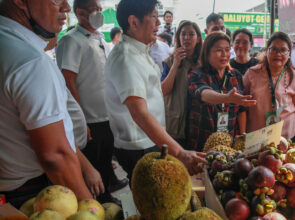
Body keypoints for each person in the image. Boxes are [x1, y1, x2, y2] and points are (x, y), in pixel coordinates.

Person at [0, 0, 92, 208]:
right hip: (34, 195)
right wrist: (89, 206)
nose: (66, 8)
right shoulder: (28, 61)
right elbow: (54, 156)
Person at [105, 0, 206, 183]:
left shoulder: (140, 52)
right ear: (134, 22)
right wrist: (179, 152)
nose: (159, 23)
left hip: (150, 139)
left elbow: (153, 93)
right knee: (151, 197)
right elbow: (139, 113)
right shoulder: (126, 58)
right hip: (140, 145)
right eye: (153, 17)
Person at [56, 0, 123, 204]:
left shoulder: (98, 38)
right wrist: (79, 119)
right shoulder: (71, 41)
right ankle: (98, 201)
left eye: (101, 9)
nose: (100, 14)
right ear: (80, 13)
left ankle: (108, 190)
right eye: (95, 10)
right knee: (92, 163)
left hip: (106, 114)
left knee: (105, 158)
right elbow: (68, 80)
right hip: (89, 117)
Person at [187, 32, 257, 151]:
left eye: (227, 50)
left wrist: (243, 135)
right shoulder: (196, 75)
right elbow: (204, 94)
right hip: (202, 143)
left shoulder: (236, 75)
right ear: (207, 53)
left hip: (228, 144)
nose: (224, 55)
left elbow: (241, 110)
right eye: (219, 50)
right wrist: (227, 98)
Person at [244, 32, 295, 146]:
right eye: (273, 49)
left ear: (289, 54)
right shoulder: (252, 73)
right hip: (256, 139)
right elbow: (242, 106)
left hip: (285, 139)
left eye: (283, 50)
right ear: (267, 51)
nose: (278, 54)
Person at [160, 21, 203, 146]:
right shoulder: (170, 61)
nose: (186, 38)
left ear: (198, 39)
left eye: (191, 34)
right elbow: (163, 90)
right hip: (175, 123)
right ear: (178, 37)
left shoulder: (204, 63)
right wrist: (175, 64)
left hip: (197, 121)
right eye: (183, 34)